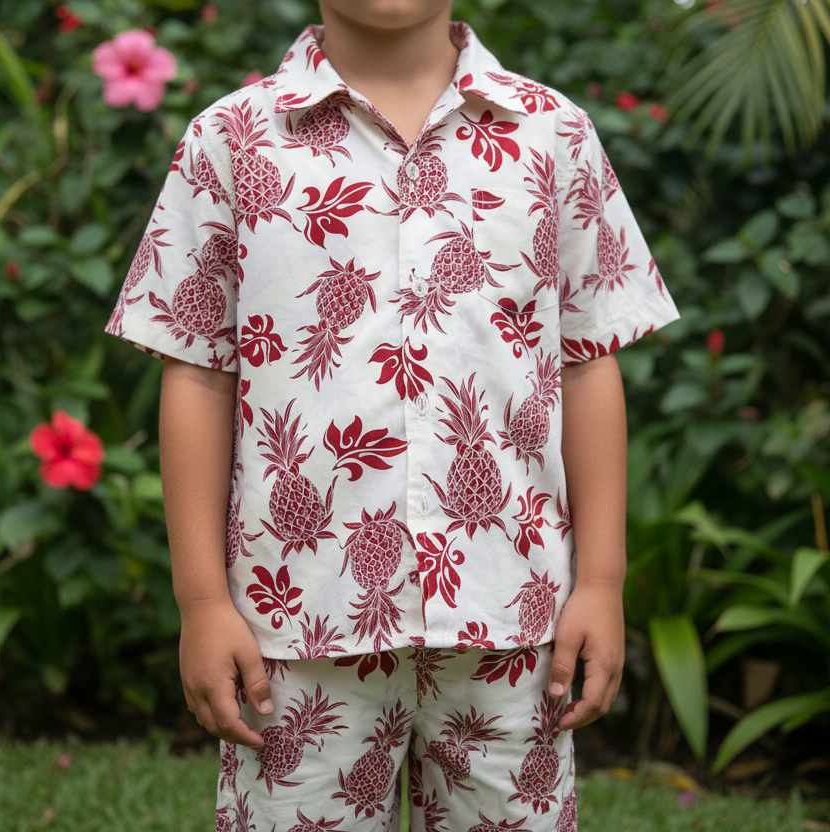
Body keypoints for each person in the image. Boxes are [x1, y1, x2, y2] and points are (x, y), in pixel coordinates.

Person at [106, 1, 679, 829]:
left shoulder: (552, 135)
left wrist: (600, 581)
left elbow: (588, 362)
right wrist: (201, 604)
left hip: (513, 616)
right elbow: (196, 370)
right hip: (295, 624)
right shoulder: (230, 141)